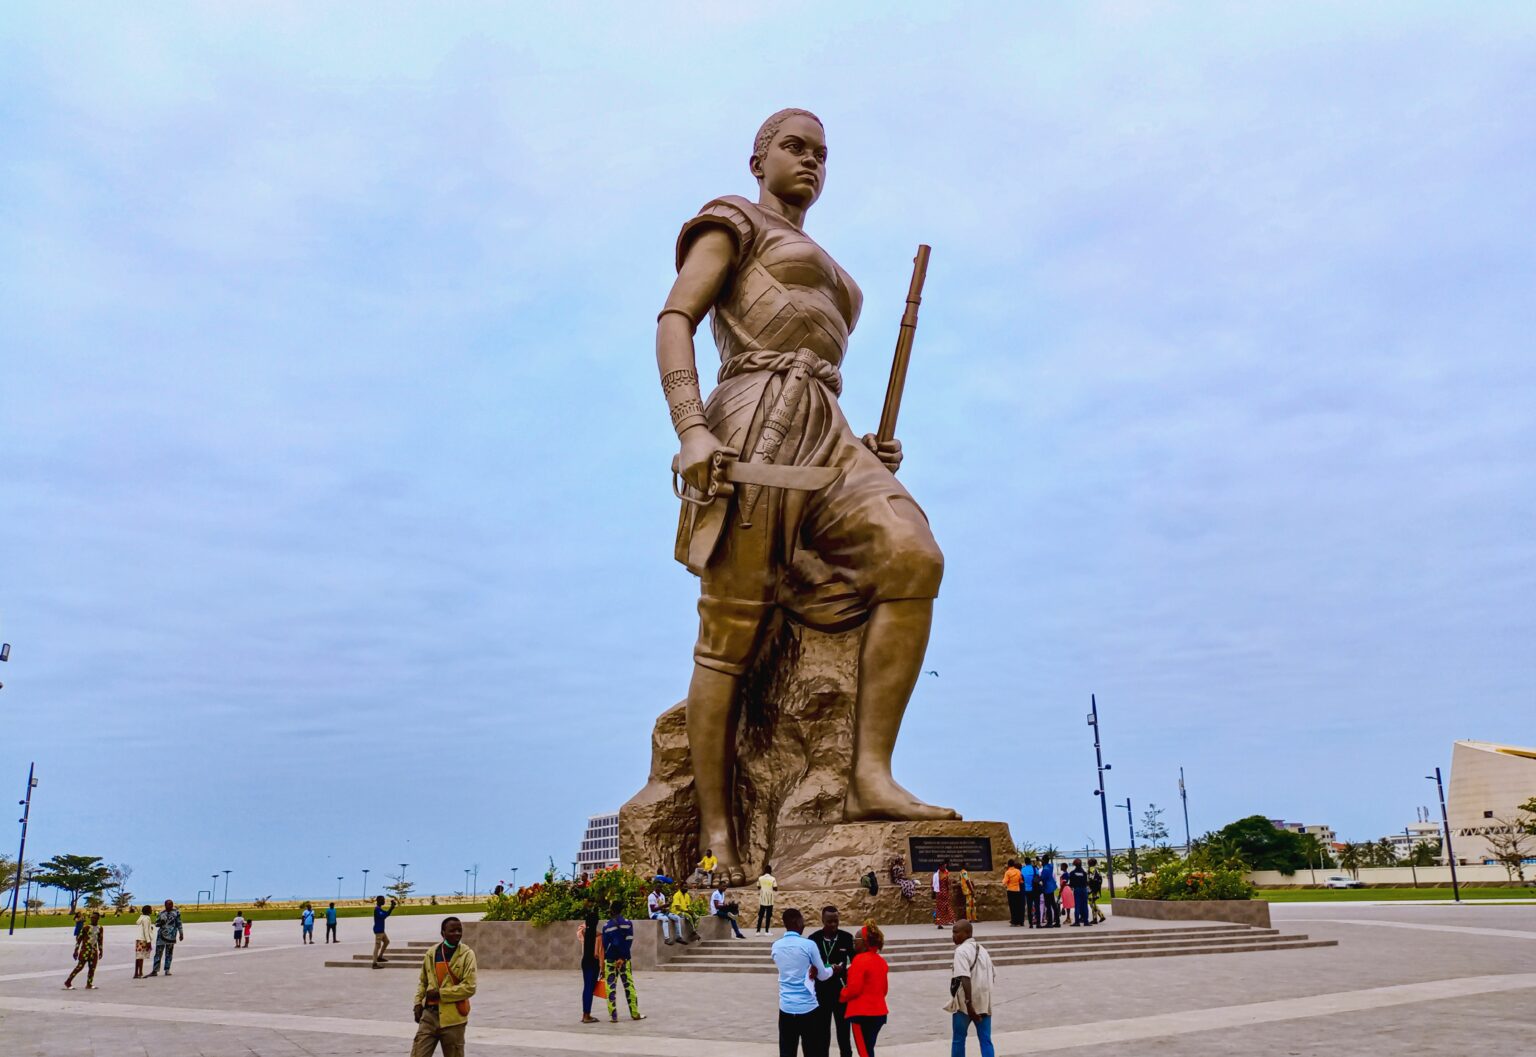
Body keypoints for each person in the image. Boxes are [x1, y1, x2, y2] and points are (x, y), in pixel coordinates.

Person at [661, 109, 954, 888]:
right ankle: (720, 834)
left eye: (823, 153)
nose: (811, 162)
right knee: (731, 628)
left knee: (913, 555)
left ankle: (870, 773)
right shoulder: (732, 222)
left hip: (832, 427)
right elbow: (675, 318)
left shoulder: (830, 261)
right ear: (758, 157)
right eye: (795, 147)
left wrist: (867, 447)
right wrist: (692, 429)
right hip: (755, 417)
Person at [411, 916, 477, 1057]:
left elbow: (470, 987)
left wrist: (441, 994)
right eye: (452, 931)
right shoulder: (431, 953)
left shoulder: (467, 955)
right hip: (429, 1016)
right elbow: (423, 981)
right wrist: (417, 1003)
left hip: (453, 1019)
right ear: (443, 933)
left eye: (459, 930)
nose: (457, 934)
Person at [772, 908, 833, 1056]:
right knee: (812, 1051)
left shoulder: (776, 946)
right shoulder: (809, 945)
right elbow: (823, 975)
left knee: (787, 1051)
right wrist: (832, 968)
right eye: (802, 920)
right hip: (808, 1009)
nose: (804, 924)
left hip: (786, 1008)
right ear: (797, 922)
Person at [812, 905, 856, 1057]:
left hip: (841, 993)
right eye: (829, 922)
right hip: (821, 993)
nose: (833, 925)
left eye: (836, 921)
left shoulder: (846, 938)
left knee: (844, 1034)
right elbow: (809, 966)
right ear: (822, 920)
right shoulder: (814, 940)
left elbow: (856, 963)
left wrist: (847, 973)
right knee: (822, 1034)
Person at [946, 921, 995, 1057]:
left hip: (965, 1004)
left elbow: (964, 977)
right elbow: (992, 975)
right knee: (986, 1040)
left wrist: (969, 1005)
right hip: (984, 1002)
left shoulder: (961, 951)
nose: (953, 936)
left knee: (958, 1039)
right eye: (953, 932)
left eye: (956, 932)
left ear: (967, 933)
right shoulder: (983, 950)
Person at [840, 921, 889, 1057]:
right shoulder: (881, 961)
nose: (854, 942)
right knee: (868, 1049)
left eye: (856, 939)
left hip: (861, 1015)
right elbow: (884, 990)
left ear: (865, 942)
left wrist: (842, 994)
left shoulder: (859, 960)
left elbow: (853, 989)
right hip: (879, 1014)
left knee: (864, 1052)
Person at [601, 900, 645, 1022]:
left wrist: (614, 958)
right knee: (629, 986)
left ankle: (613, 1016)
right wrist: (622, 958)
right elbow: (629, 941)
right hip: (625, 960)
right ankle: (635, 1013)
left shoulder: (606, 926)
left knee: (610, 987)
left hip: (610, 960)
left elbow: (606, 944)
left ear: (612, 910)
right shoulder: (628, 924)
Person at [578, 903, 606, 1024]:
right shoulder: (599, 936)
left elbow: (580, 928)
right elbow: (600, 954)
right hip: (593, 963)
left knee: (586, 988)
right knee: (590, 988)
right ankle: (586, 1015)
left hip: (585, 961)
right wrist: (603, 969)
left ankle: (585, 1013)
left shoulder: (583, 933)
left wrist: (587, 923)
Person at [64, 910, 103, 989]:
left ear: (98, 919)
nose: (92, 919)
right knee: (80, 967)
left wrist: (101, 950)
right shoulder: (86, 928)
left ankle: (89, 983)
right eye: (92, 918)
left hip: (94, 951)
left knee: (92, 968)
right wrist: (76, 950)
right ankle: (68, 981)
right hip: (85, 950)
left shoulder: (100, 928)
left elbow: (100, 940)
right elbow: (79, 939)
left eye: (94, 918)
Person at [149, 899, 183, 976]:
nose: (170, 906)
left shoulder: (176, 912)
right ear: (165, 905)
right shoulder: (161, 913)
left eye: (171, 904)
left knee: (169, 953)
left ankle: (167, 969)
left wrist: (181, 933)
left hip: (171, 936)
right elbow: (156, 924)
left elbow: (179, 923)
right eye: (168, 905)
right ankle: (155, 970)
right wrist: (160, 922)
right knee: (158, 953)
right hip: (161, 936)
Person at [371, 895, 398, 968]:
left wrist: (391, 908)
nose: (384, 901)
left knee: (386, 942)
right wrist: (391, 909)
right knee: (377, 946)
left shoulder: (379, 909)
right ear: (379, 901)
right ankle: (374, 963)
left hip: (381, 931)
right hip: (379, 931)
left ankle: (379, 957)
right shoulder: (377, 910)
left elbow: (386, 914)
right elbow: (383, 916)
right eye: (383, 900)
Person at [1067, 858, 1090, 926]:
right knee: (1085, 906)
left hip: (1077, 890)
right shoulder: (1084, 873)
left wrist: (1069, 885)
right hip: (1084, 890)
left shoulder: (1072, 873)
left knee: (1077, 906)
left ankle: (1077, 922)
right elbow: (1086, 882)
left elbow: (1071, 884)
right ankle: (1086, 921)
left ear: (1074, 864)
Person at [134, 904, 154, 978]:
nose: (151, 910)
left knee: (138, 956)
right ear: (148, 911)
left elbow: (144, 928)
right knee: (141, 957)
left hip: (139, 939)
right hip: (143, 940)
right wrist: (148, 942)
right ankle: (140, 973)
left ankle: (137, 973)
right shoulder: (146, 919)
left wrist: (150, 928)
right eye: (150, 909)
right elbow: (145, 931)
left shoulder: (141, 917)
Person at [756, 865, 778, 933]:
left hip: (762, 899)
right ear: (770, 871)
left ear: (764, 871)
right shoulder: (773, 879)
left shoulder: (760, 878)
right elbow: (775, 888)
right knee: (768, 916)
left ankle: (758, 931)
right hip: (770, 900)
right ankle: (767, 931)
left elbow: (758, 887)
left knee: (761, 915)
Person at [933, 862, 954, 930]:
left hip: (938, 893)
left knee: (939, 909)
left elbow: (932, 885)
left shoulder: (935, 875)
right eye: (944, 866)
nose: (945, 867)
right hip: (944, 893)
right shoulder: (945, 875)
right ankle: (950, 920)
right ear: (940, 867)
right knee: (946, 907)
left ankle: (940, 922)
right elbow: (948, 884)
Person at [1002, 860, 1023, 927]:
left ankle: (1014, 921)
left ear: (1008, 865)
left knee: (1012, 907)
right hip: (1017, 890)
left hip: (1010, 890)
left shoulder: (1008, 872)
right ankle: (1019, 921)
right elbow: (1021, 880)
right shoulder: (1018, 871)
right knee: (1017, 906)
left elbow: (1004, 882)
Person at [1040, 858, 1059, 928]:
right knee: (1053, 905)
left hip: (1047, 888)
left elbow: (1042, 878)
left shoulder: (1045, 869)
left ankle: (1050, 922)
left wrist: (1038, 878)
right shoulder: (1050, 866)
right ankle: (1057, 922)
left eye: (1042, 861)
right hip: (1052, 887)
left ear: (1044, 862)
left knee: (1048, 906)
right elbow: (1046, 863)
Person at [1087, 859, 1106, 924]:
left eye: (1088, 862)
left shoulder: (1091, 869)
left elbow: (1090, 879)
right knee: (1093, 903)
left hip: (1092, 889)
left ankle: (1097, 918)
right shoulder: (1096, 869)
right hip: (1096, 889)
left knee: (1092, 903)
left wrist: (1087, 883)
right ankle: (1099, 916)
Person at [1020, 859, 1038, 928]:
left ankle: (1030, 923)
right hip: (1034, 889)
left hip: (1026, 890)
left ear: (1025, 862)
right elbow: (1038, 876)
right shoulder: (1034, 868)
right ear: (1030, 862)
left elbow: (1021, 879)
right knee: (1036, 905)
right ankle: (1038, 922)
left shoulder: (1023, 869)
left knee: (1029, 906)